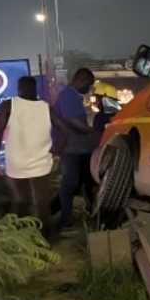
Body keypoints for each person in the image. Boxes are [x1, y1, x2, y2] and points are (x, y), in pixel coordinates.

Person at [0, 76, 55, 235]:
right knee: (42, 203)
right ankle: (46, 237)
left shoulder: (8, 105)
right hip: (41, 163)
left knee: (21, 201)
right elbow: (64, 130)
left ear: (19, 89)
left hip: (16, 163)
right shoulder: (46, 107)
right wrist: (57, 150)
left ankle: (21, 235)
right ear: (35, 89)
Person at [54, 68, 98, 228]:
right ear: (81, 80)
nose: (89, 88)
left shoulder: (73, 96)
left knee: (87, 182)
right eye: (88, 84)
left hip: (80, 148)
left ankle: (93, 213)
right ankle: (65, 219)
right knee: (70, 183)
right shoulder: (68, 95)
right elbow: (72, 121)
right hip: (71, 149)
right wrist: (92, 131)